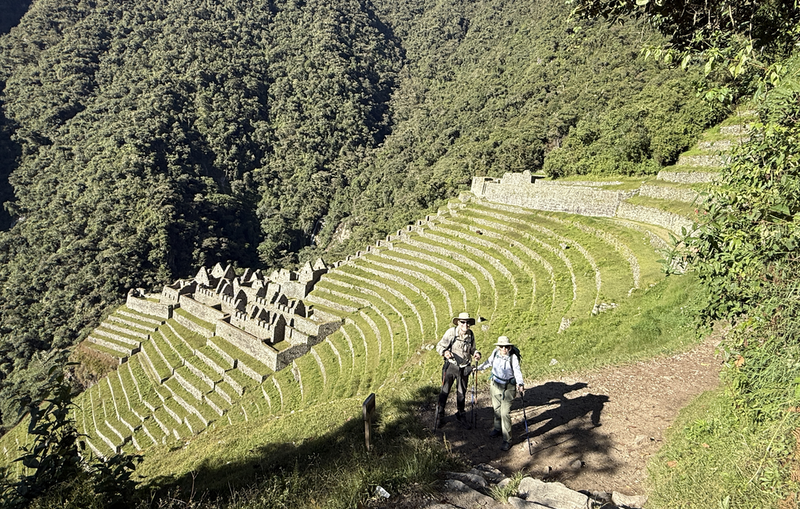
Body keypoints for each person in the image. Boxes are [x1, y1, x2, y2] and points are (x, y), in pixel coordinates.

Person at [477, 336, 524, 451]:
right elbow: (488, 362)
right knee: (496, 409)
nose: (504, 349)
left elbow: (517, 371)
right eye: (501, 346)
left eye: (506, 346)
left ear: (510, 347)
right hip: (495, 385)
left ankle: (507, 439)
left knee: (505, 413)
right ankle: (497, 428)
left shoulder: (513, 358)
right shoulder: (495, 353)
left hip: (509, 387)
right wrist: (478, 368)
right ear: (497, 347)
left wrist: (520, 383)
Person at [435, 312, 481, 429]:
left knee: (462, 392)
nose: (465, 325)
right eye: (462, 322)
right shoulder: (451, 333)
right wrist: (445, 353)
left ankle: (460, 413)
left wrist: (475, 353)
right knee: (445, 391)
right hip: (451, 366)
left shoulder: (470, 334)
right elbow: (439, 346)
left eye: (467, 322)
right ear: (458, 322)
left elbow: (472, 348)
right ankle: (439, 415)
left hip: (465, 367)